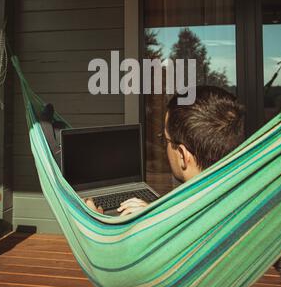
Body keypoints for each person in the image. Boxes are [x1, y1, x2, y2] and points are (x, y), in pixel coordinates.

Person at [85, 86, 245, 216]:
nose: (164, 146)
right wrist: (154, 214)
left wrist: (93, 221)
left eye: (166, 140)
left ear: (183, 155)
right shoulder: (241, 201)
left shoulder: (191, 219)